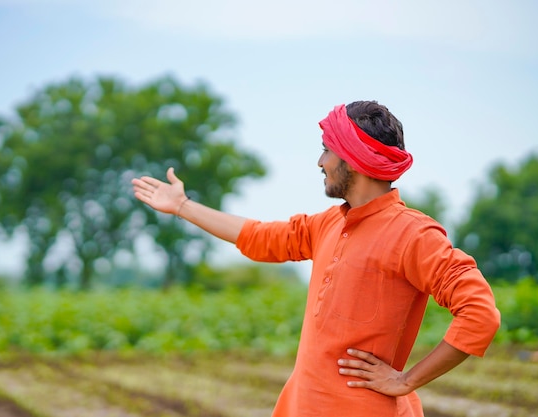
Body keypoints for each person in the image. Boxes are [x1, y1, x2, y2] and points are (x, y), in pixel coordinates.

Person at [131, 100, 501, 417]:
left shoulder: (413, 234)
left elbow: (480, 314)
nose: (320, 161)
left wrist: (407, 381)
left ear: (354, 158)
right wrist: (182, 206)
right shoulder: (329, 224)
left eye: (327, 149)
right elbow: (259, 237)